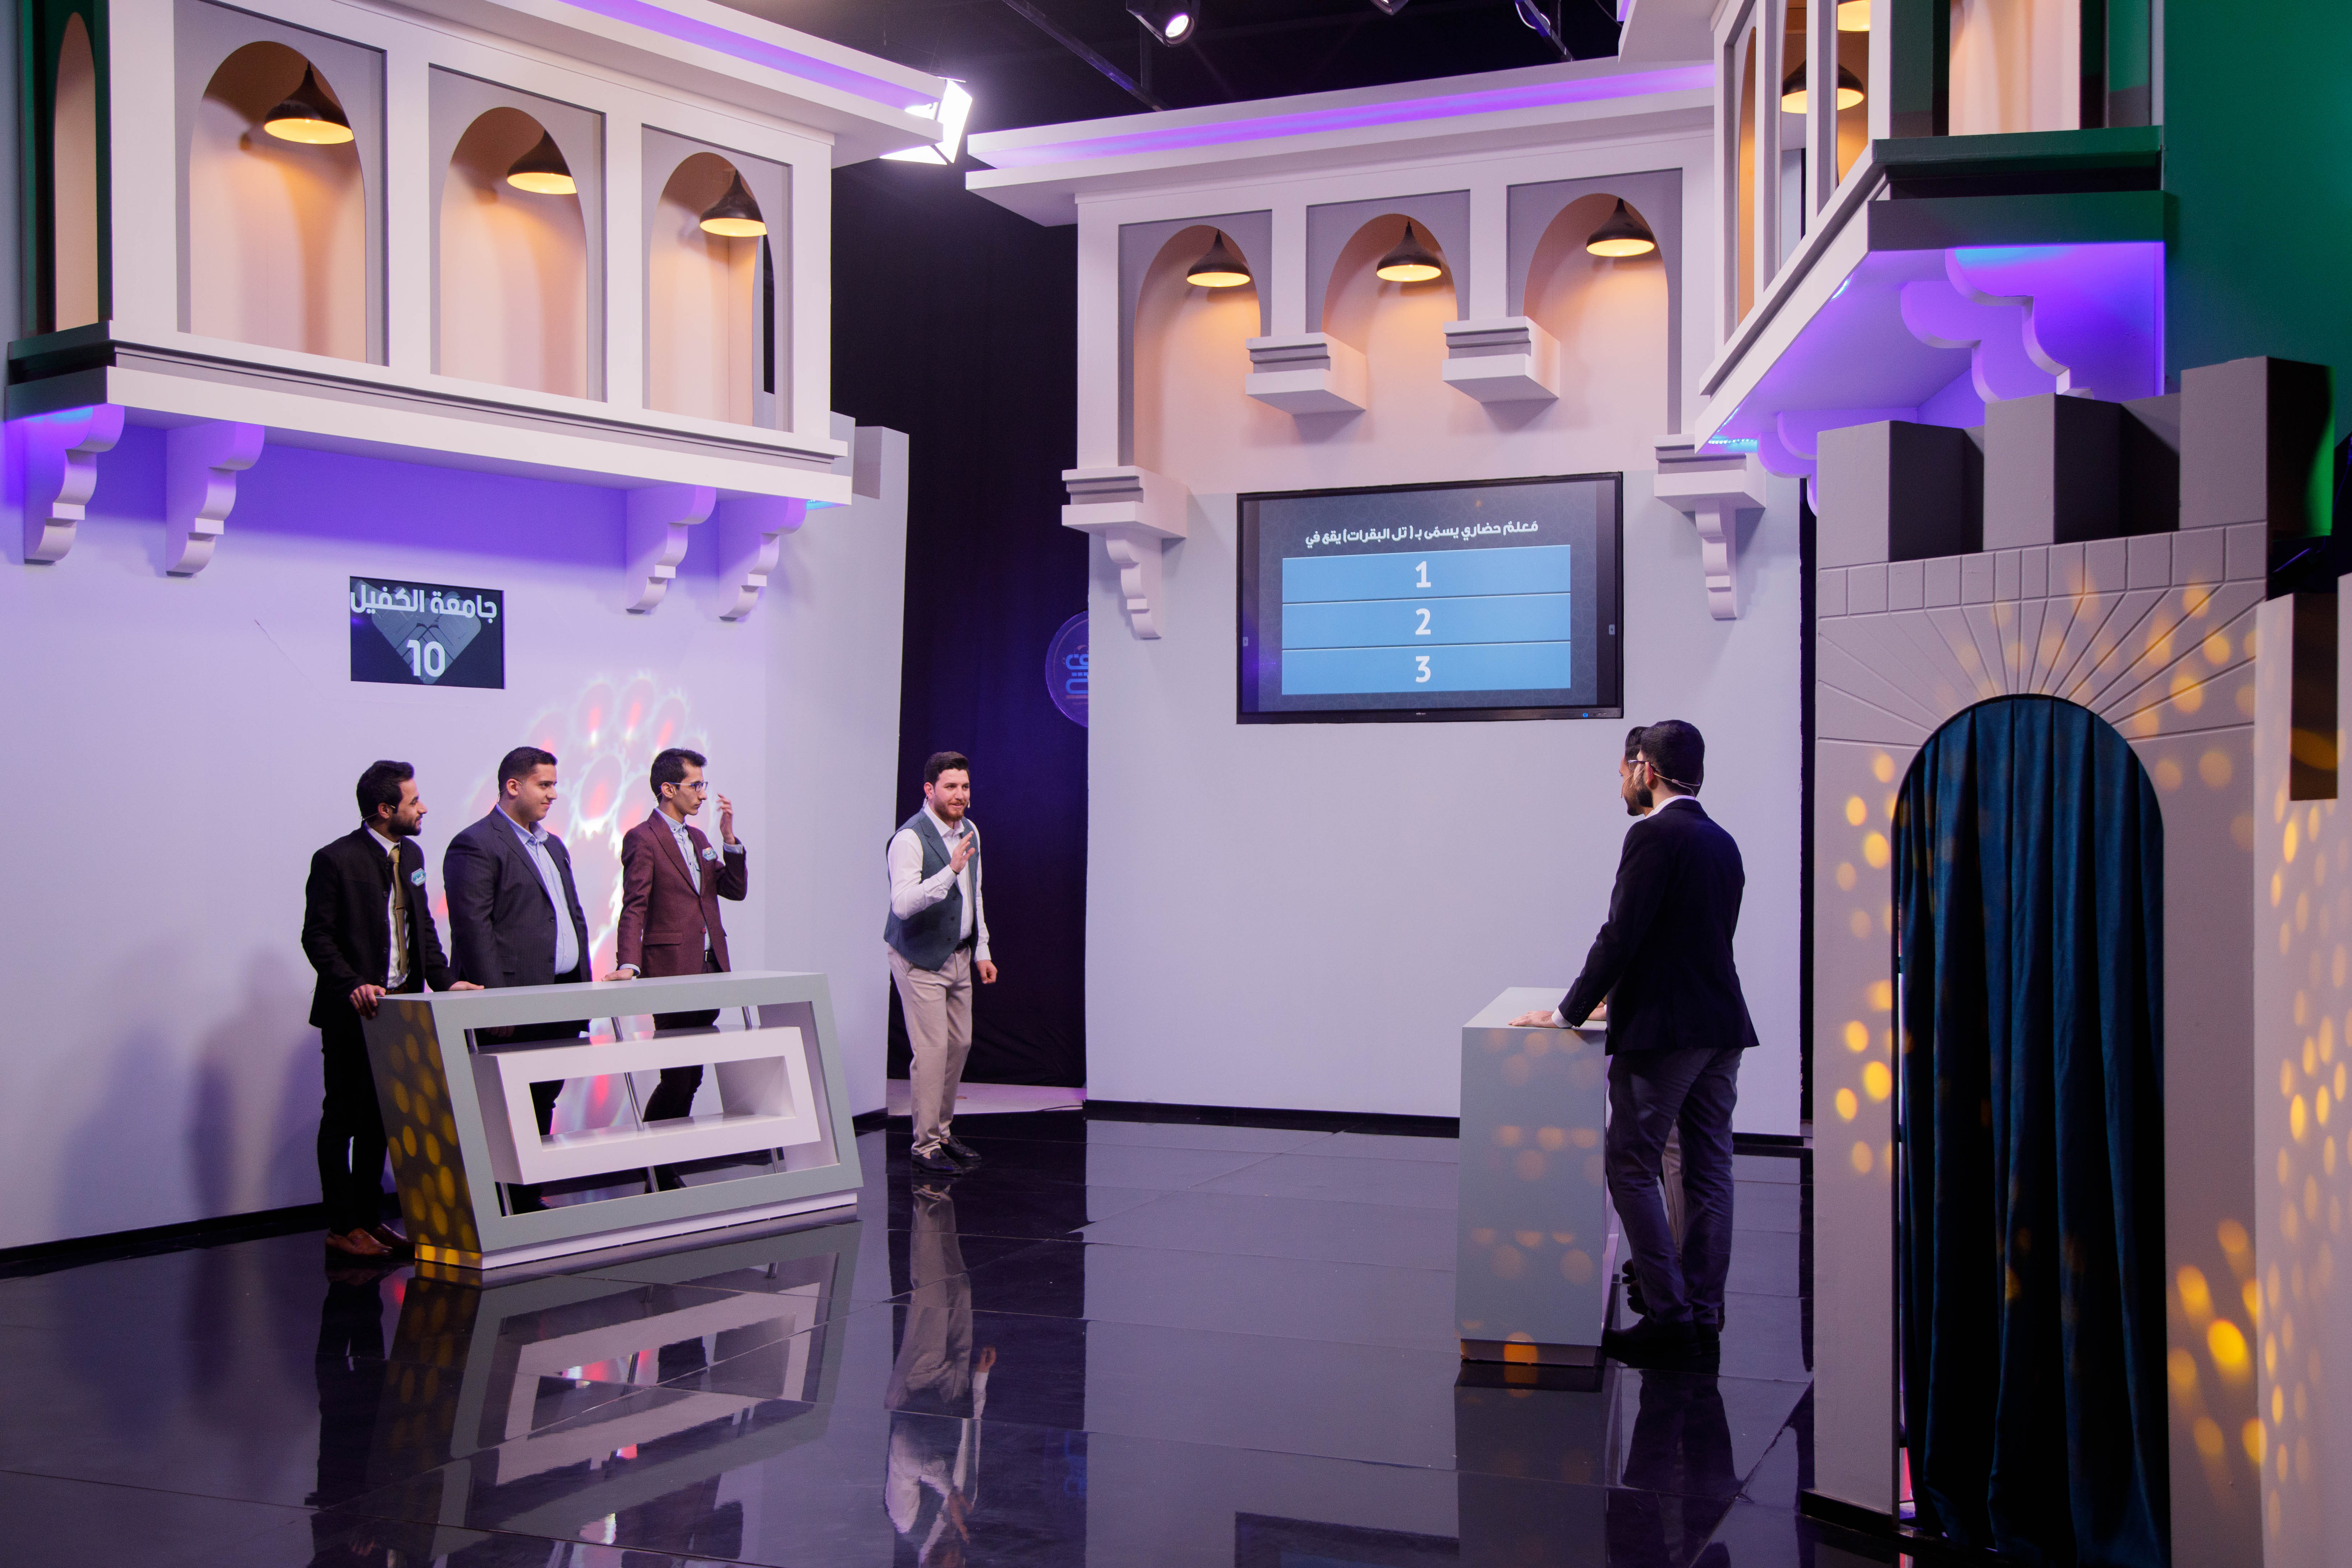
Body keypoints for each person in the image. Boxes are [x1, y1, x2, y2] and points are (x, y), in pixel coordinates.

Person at [1510, 720, 1758, 1370]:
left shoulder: (1651, 835)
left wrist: (1567, 1011)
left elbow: (1621, 935)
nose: (1621, 782)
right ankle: (1702, 1313)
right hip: (1722, 1027)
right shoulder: (1722, 841)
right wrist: (1612, 1000)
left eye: (1624, 770)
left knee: (1629, 1164)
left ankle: (1670, 1317)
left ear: (1646, 769)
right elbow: (1686, 942)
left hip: (1667, 1036)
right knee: (1709, 1170)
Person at [301, 760, 480, 1259]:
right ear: (385, 809)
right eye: (413, 801)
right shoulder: (335, 859)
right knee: (342, 1117)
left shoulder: (412, 854)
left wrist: (446, 981)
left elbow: (422, 929)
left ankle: (368, 1219)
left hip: (400, 1012)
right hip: (352, 1013)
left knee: (381, 1117)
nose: (423, 808)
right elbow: (317, 936)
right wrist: (353, 984)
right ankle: (342, 1226)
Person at [445, 745, 594, 1212]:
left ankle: (527, 1196)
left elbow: (571, 916)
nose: (554, 794)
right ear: (513, 786)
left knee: (544, 1096)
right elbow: (472, 927)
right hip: (513, 1000)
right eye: (543, 784)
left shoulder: (553, 845)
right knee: (508, 1104)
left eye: (554, 784)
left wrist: (584, 991)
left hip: (559, 996)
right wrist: (497, 1003)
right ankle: (498, 1205)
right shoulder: (476, 843)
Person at [609, 747, 748, 1188]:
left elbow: (734, 889)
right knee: (678, 1074)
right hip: (670, 970)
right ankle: (655, 1165)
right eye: (696, 785)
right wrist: (628, 963)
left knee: (692, 1073)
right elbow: (635, 905)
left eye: (704, 785)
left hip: (709, 969)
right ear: (668, 789)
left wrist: (729, 839)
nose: (703, 794)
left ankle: (663, 1164)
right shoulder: (643, 838)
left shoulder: (700, 838)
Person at [885, 752, 998, 1177]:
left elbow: (975, 894)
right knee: (932, 1051)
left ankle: (943, 1132)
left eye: (965, 786)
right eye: (951, 787)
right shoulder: (909, 838)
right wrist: (948, 871)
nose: (960, 795)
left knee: (960, 1044)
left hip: (959, 952)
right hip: (919, 955)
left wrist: (982, 950)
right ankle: (926, 1143)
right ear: (929, 789)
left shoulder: (970, 830)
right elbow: (902, 904)